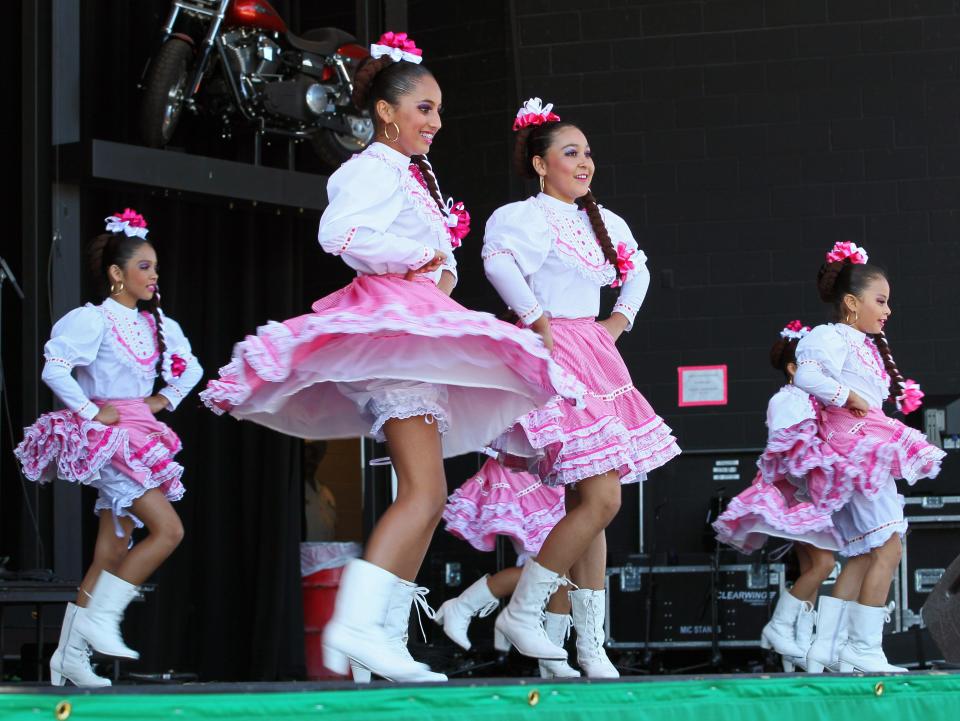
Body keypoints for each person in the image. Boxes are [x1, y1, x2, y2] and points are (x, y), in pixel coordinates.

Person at [200, 38, 583, 683]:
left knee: (427, 496)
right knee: (425, 491)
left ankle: (380, 635)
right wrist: (412, 259)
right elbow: (341, 234)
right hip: (396, 335)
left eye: (438, 110)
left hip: (416, 330)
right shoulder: (371, 168)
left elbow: (425, 254)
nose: (435, 122)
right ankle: (356, 628)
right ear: (386, 111)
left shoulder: (407, 175)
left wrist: (437, 270)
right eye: (424, 109)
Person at [481, 98, 680, 667]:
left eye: (588, 152)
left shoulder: (605, 220)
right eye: (571, 152)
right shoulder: (522, 216)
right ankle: (524, 610)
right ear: (541, 164)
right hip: (555, 352)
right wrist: (535, 318)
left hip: (592, 351)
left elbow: (637, 269)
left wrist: (619, 322)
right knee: (602, 497)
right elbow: (497, 262)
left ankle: (589, 645)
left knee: (590, 499)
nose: (584, 162)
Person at [15, 208, 202, 686]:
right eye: (144, 266)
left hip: (139, 431)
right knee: (168, 531)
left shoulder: (156, 324)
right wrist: (91, 411)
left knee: (110, 550)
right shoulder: (93, 319)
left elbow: (191, 368)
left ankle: (68, 658)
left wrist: (161, 399)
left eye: (155, 266)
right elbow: (55, 366)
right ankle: (102, 620)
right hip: (110, 440)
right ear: (117, 273)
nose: (153, 274)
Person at [794, 241, 944, 673]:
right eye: (880, 301)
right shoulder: (831, 335)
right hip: (856, 446)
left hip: (860, 445)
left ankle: (829, 647)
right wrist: (848, 395)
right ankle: (863, 647)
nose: (888, 310)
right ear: (850, 302)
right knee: (889, 545)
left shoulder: (860, 342)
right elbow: (806, 374)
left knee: (864, 551)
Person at [713, 320, 840, 671]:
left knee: (813, 566)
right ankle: (780, 627)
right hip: (794, 496)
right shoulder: (786, 400)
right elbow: (784, 451)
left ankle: (798, 648)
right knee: (825, 564)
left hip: (806, 496)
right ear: (792, 368)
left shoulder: (809, 402)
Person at [437, 455, 579, 678]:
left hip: (542, 463)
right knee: (550, 562)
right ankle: (463, 606)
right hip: (522, 463)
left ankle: (553, 656)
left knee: (563, 569)